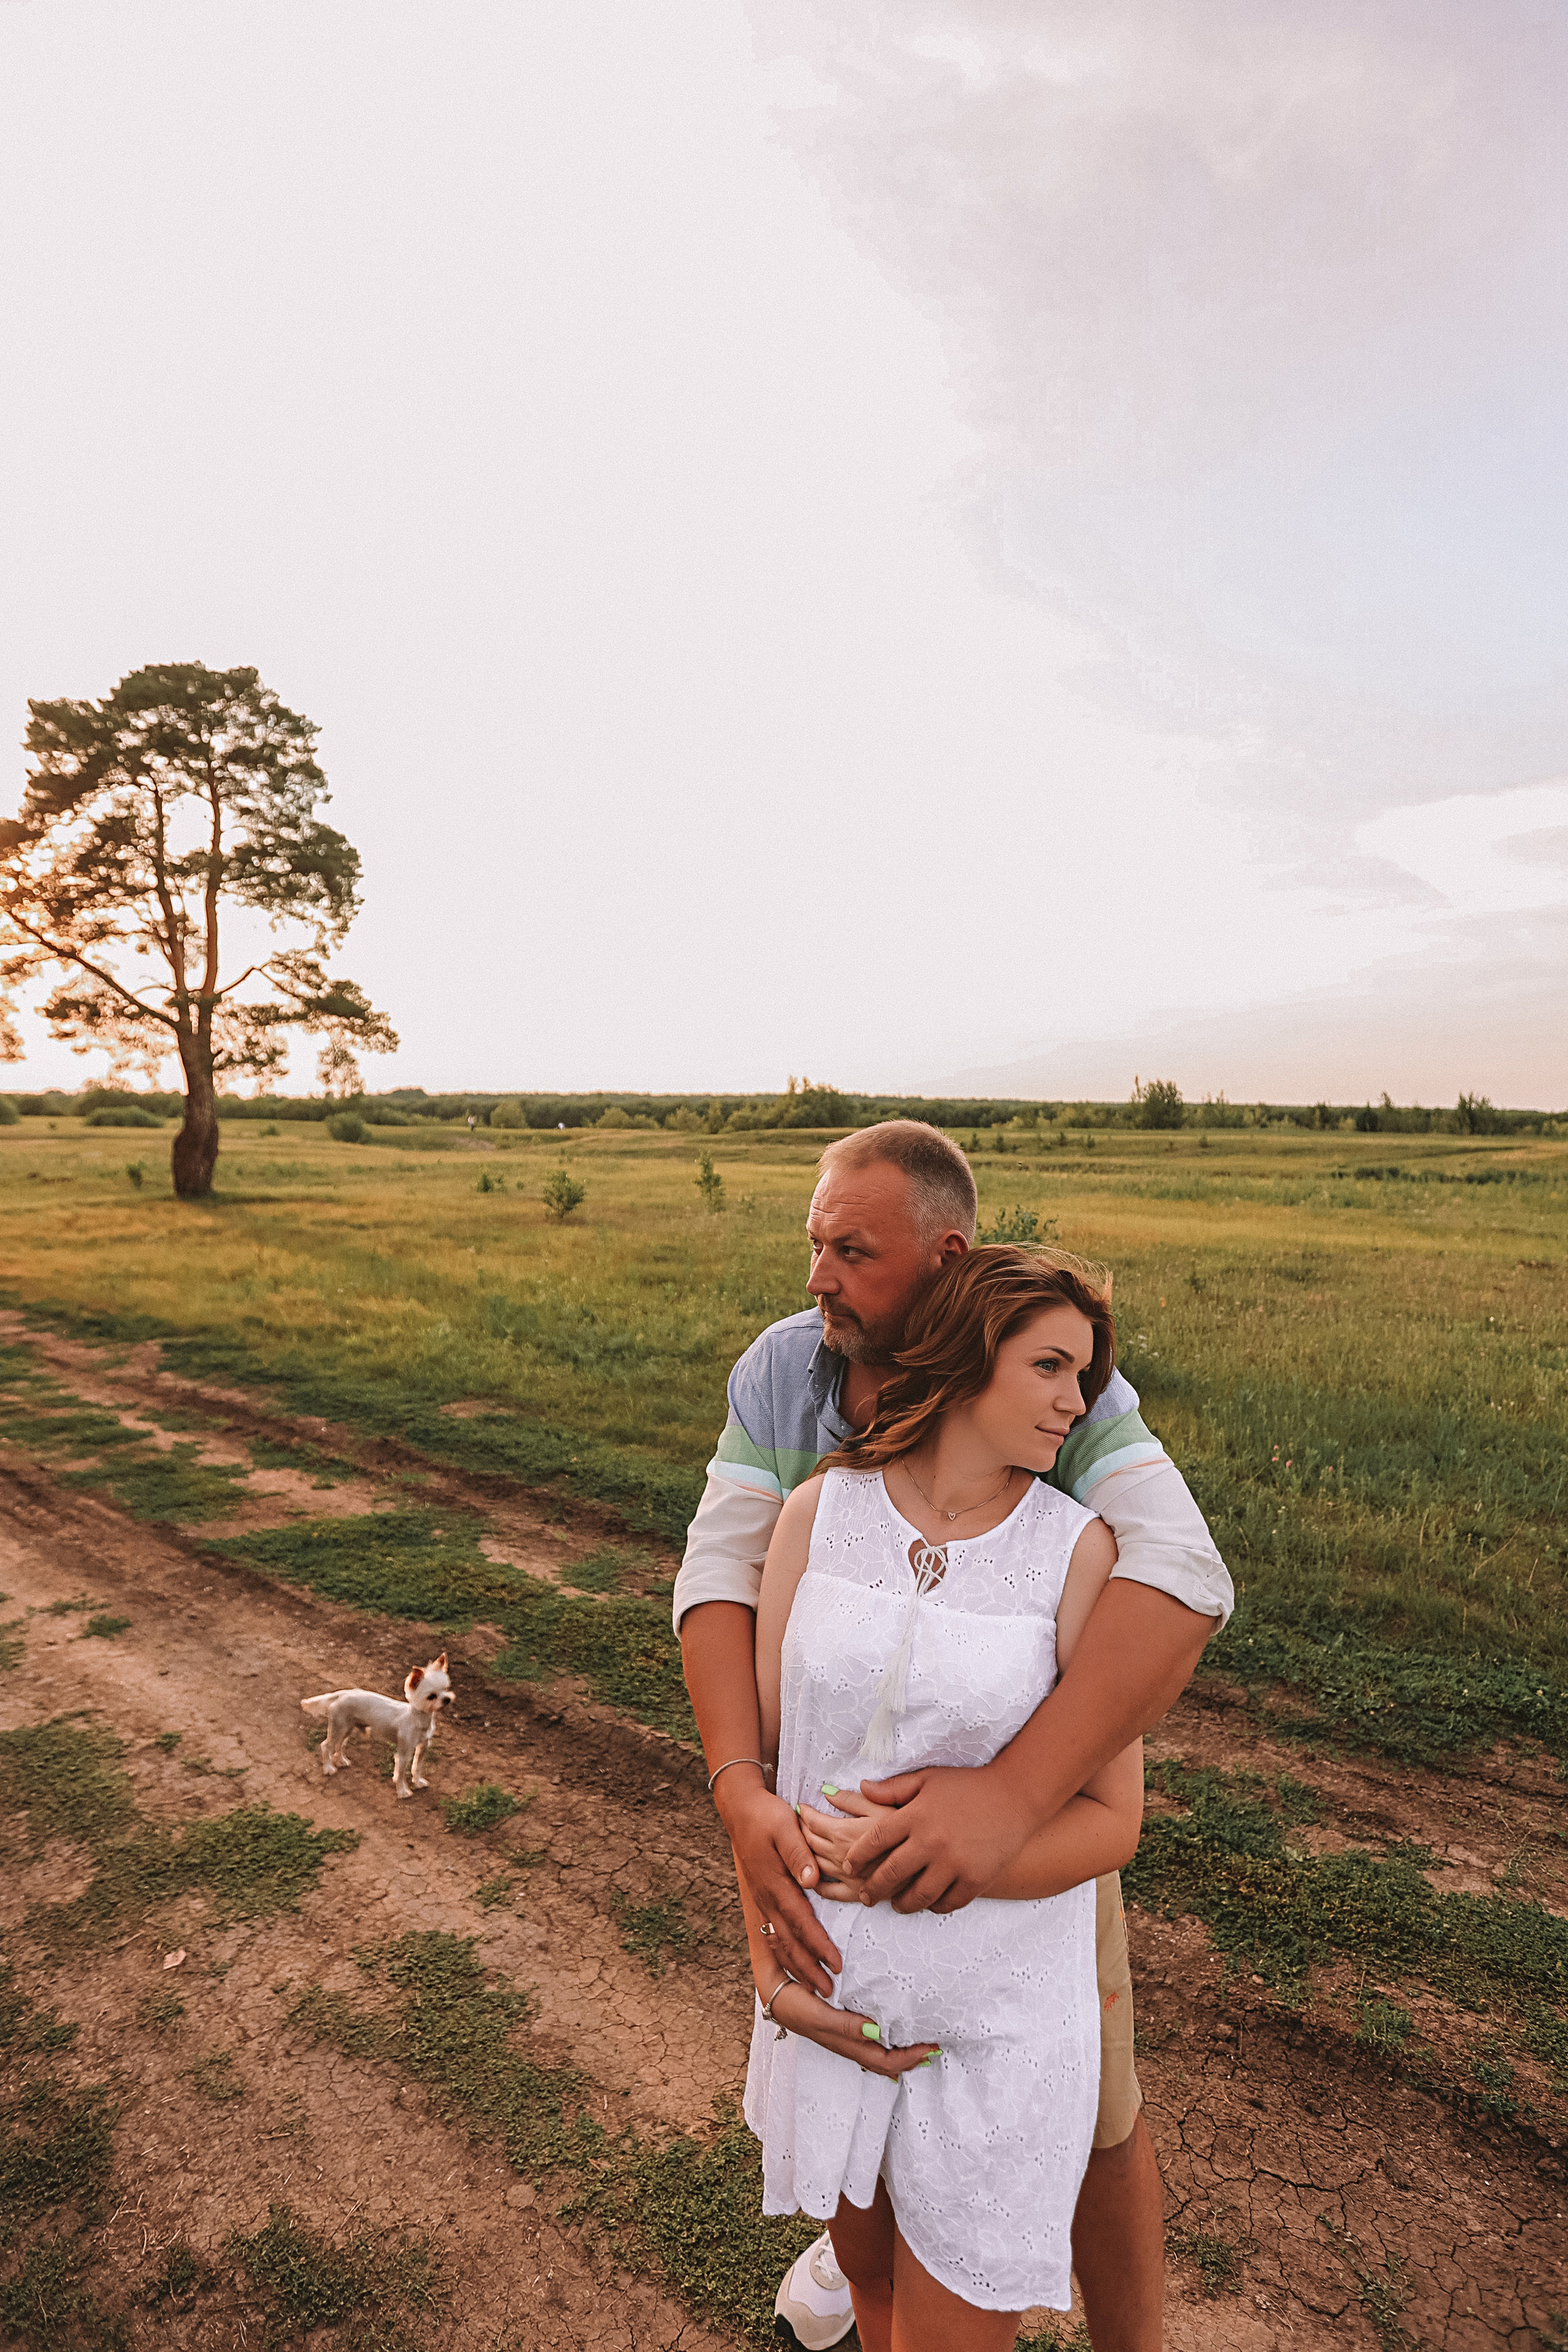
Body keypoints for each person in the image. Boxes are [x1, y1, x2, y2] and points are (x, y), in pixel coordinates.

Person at [674, 1121, 1233, 2351]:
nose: (816, 1277)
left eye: (851, 1252)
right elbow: (719, 1582)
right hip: (836, 1877)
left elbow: (1183, 1578)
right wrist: (741, 1804)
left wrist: (1008, 1802)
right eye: (814, 1243)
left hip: (1031, 1829)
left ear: (946, 1265)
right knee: (869, 2155)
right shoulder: (789, 1380)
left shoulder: (1051, 1387)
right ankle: (865, 2234)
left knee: (1094, 2115)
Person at [742, 1247, 1144, 2349]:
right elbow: (770, 1769)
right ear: (969, 1356)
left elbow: (1115, 1820)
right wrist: (768, 1954)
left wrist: (934, 1858)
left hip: (996, 2032)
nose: (1077, 1401)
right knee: (870, 2295)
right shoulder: (816, 1515)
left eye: (1084, 1375)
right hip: (835, 2003)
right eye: (1051, 1366)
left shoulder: (1080, 1555)